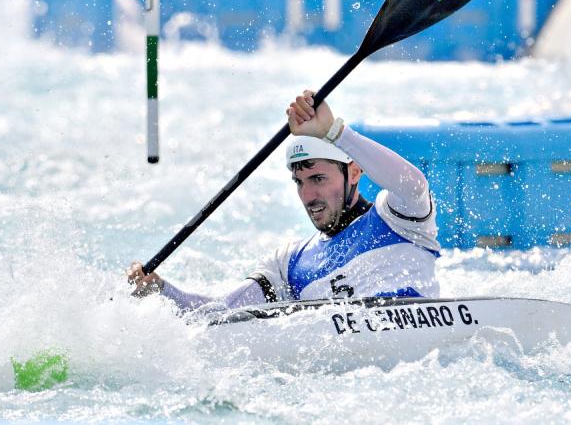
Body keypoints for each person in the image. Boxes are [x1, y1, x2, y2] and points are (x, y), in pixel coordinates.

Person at [127, 90, 440, 310]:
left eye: (318, 179)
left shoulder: (397, 221)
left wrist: (334, 132)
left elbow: (414, 186)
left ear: (355, 172)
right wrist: (161, 289)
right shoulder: (289, 264)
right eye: (299, 182)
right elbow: (222, 313)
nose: (308, 196)